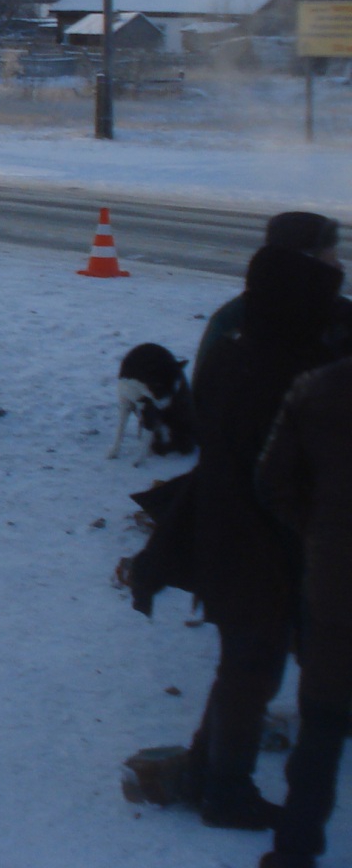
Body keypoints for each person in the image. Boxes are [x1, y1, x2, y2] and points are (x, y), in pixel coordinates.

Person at [183, 244, 346, 830]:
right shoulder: (289, 369)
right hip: (261, 543)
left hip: (227, 532)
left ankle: (205, 771)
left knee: (243, 666)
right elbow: (279, 474)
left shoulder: (234, 352)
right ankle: (226, 791)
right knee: (253, 670)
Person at [257, 354, 352, 868]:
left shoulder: (317, 387)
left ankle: (293, 853)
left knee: (322, 724)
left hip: (336, 585)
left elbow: (272, 482)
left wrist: (318, 534)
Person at [195, 213, 347, 382]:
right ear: (306, 263)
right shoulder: (339, 319)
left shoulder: (238, 315)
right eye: (331, 257)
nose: (339, 265)